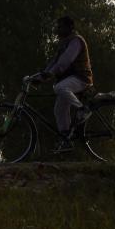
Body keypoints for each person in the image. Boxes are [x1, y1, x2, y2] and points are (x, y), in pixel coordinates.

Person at [35, 16, 94, 151]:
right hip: (71, 80)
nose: (57, 30)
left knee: (59, 87)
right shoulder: (63, 44)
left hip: (81, 78)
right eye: (57, 27)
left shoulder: (76, 41)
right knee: (59, 109)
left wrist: (51, 74)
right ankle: (66, 140)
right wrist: (39, 77)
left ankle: (82, 110)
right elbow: (53, 63)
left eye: (60, 27)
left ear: (70, 28)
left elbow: (65, 61)